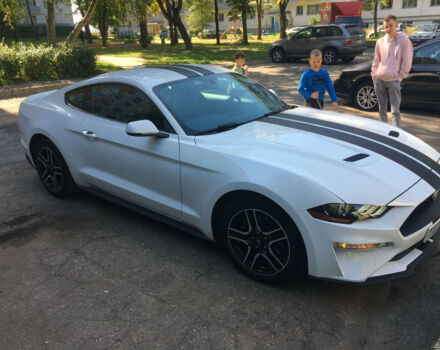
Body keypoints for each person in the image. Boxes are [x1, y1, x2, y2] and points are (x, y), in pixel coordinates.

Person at [371, 15, 413, 128]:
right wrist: (374, 73)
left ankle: (396, 134)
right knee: (382, 109)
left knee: (395, 111)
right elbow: (376, 59)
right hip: (379, 79)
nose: (388, 29)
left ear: (396, 25)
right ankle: (384, 132)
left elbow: (407, 61)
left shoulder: (404, 41)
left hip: (394, 80)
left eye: (391, 26)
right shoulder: (380, 41)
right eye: (386, 27)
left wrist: (399, 77)